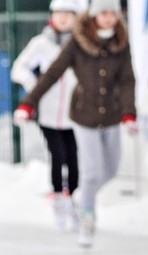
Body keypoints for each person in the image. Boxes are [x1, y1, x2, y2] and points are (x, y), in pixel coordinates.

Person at [14, 0, 137, 248]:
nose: (109, 19)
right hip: (78, 115)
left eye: (113, 14)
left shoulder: (120, 42)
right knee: (75, 163)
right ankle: (82, 215)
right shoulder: (70, 42)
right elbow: (50, 73)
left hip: (108, 115)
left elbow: (126, 80)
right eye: (103, 13)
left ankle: (80, 195)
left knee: (108, 169)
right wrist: (29, 101)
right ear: (93, 16)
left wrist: (128, 112)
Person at [11, 0, 87, 231]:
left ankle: (71, 197)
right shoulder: (41, 43)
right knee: (58, 154)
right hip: (48, 112)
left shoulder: (82, 44)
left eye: (68, 13)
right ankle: (58, 200)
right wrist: (34, 85)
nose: (63, 18)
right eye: (58, 13)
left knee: (73, 158)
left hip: (75, 114)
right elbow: (19, 68)